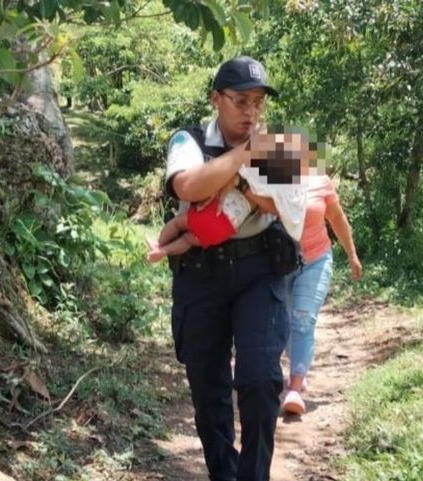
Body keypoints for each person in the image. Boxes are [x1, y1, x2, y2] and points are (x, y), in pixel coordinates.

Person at [164, 56, 301, 481]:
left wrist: (243, 177)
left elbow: (292, 204)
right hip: (201, 273)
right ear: (216, 100)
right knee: (208, 389)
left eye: (258, 103)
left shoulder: (278, 145)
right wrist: (245, 157)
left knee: (260, 381)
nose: (251, 112)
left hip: (260, 269)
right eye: (241, 101)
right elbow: (187, 186)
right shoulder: (187, 140)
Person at [148, 135, 311, 263]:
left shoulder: (252, 171)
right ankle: (164, 251)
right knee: (187, 240)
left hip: (214, 211)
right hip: (226, 228)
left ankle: (159, 246)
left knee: (177, 224)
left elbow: (224, 180)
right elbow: (265, 210)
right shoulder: (274, 191)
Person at [280, 172, 363, 415]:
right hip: (279, 263)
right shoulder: (269, 180)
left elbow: (336, 217)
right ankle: (299, 365)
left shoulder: (320, 182)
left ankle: (295, 387)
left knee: (303, 320)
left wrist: (352, 254)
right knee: (284, 322)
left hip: (315, 260)